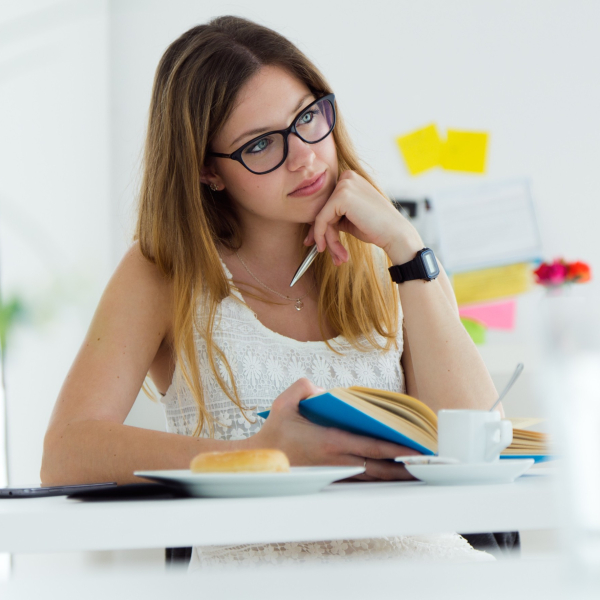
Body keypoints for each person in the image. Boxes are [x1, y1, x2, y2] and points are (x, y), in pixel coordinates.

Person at [41, 16, 501, 567]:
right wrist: (255, 455)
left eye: (307, 117)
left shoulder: (393, 255)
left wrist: (406, 247)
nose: (305, 157)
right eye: (260, 144)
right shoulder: (165, 270)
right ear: (208, 172)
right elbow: (66, 452)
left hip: (425, 572)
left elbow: (479, 445)